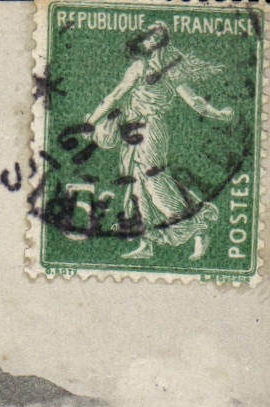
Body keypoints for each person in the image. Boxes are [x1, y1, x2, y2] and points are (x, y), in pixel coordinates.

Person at [83, 21, 235, 260]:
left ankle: (198, 227)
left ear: (160, 41)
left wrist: (217, 114)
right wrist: (91, 122)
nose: (150, 41)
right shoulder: (141, 67)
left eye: (155, 37)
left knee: (155, 182)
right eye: (147, 37)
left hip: (151, 129)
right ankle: (147, 244)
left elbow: (193, 100)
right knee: (137, 186)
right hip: (132, 131)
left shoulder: (168, 70)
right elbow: (114, 97)